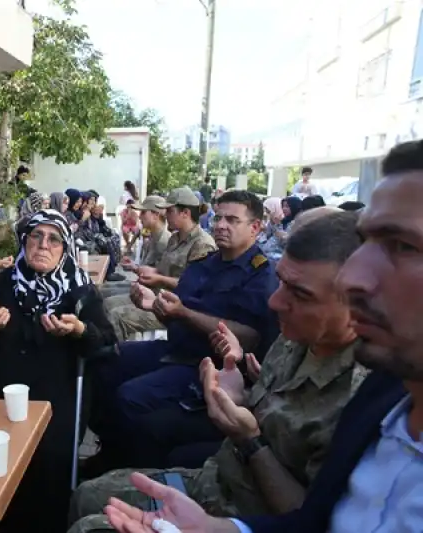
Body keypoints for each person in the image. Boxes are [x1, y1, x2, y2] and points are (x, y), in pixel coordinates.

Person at [101, 140, 423, 533]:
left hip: (230, 472)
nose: (355, 278)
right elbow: (315, 522)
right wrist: (244, 390)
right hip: (221, 473)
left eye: (403, 246)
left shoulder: (367, 385)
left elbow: (300, 505)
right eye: (369, 243)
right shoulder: (387, 399)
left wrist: (248, 436)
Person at [68, 211, 368, 532]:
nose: (277, 301)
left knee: (90, 524)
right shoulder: (296, 338)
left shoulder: (363, 398)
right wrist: (242, 393)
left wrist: (248, 439)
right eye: (282, 283)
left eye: (301, 294)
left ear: (360, 302)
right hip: (215, 477)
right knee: (85, 494)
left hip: (243, 512)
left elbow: (309, 518)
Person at [87, 191, 279, 476]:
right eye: (219, 217)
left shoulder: (260, 275)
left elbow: (249, 337)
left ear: (255, 228)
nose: (222, 225)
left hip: (209, 367)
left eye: (232, 220)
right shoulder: (205, 263)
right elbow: (179, 312)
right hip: (175, 349)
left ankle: (128, 471)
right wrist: (155, 307)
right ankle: (111, 447)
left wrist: (184, 314)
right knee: (102, 359)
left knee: (130, 397)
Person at [0, 209, 117, 533]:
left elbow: (106, 345)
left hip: (56, 395)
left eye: (54, 239)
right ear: (24, 241)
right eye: (36, 236)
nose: (43, 245)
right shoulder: (3, 284)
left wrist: (79, 330)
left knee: (48, 456)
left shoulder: (79, 291)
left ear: (65, 248)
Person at [103, 196, 172, 340]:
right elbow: (153, 271)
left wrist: (139, 270)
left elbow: (161, 278)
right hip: (145, 290)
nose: (139, 216)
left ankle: (115, 356)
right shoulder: (153, 236)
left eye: (144, 212)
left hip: (154, 298)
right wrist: (135, 267)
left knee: (112, 310)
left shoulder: (165, 241)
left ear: (155, 214)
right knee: (103, 295)